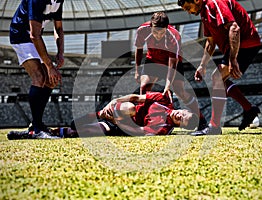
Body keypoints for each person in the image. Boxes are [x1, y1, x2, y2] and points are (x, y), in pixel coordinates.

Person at [177, 0, 261, 135]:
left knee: (216, 78)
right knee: (220, 80)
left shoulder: (214, 3)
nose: (188, 11)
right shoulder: (204, 13)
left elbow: (234, 28)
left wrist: (233, 59)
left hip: (245, 43)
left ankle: (214, 127)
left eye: (188, 7)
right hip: (235, 46)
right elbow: (210, 42)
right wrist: (202, 65)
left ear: (197, 0)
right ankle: (249, 109)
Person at [7, 92, 199, 139]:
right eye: (184, 113)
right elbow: (134, 97)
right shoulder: (163, 100)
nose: (180, 114)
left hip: (119, 125)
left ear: (180, 125)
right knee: (130, 107)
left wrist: (117, 121)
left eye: (182, 119)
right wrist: (112, 103)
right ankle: (43, 129)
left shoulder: (164, 129)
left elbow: (139, 131)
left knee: (78, 132)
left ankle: (33, 134)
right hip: (114, 111)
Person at [134, 11, 207, 131]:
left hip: (171, 63)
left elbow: (172, 64)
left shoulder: (175, 36)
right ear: (150, 26)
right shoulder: (142, 30)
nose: (158, 35)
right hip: (153, 60)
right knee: (144, 86)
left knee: (179, 91)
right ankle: (143, 119)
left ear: (167, 28)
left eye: (161, 32)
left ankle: (201, 120)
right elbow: (139, 50)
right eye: (155, 31)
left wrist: (167, 86)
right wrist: (137, 70)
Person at [9, 0, 65, 139]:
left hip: (33, 37)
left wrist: (60, 53)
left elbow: (58, 29)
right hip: (21, 35)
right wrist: (50, 66)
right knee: (39, 77)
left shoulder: (59, 0)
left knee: (51, 81)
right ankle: (37, 128)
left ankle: (35, 126)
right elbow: (34, 35)